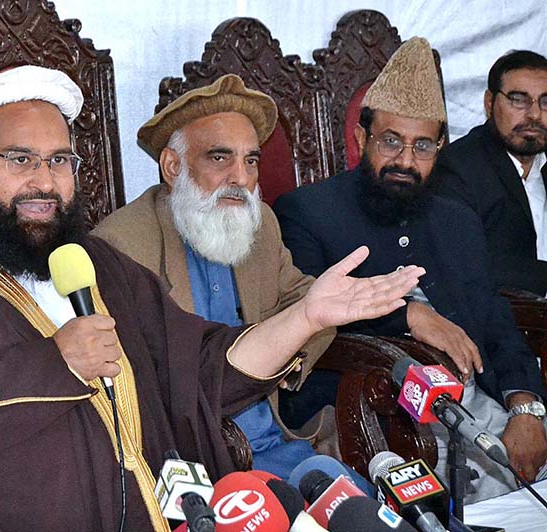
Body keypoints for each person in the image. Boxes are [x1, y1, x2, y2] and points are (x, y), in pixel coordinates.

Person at [0, 65, 422, 531]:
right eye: (20, 159)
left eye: (60, 160)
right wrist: (56, 362)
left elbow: (201, 368)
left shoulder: (93, 266)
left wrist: (307, 314)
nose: (45, 181)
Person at [273, 38, 547, 502]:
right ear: (362, 140)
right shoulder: (307, 213)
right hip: (375, 416)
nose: (405, 160)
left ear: (440, 148)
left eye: (422, 146)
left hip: (476, 404)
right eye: (391, 141)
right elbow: (304, 323)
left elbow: (494, 316)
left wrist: (527, 407)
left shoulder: (456, 218)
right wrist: (409, 317)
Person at [92, 74, 348, 482]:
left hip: (278, 447)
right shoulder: (121, 244)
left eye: (250, 160)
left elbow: (301, 297)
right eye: (219, 157)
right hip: (190, 466)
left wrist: (282, 358)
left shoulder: (259, 221)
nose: (240, 178)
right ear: (173, 166)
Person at [434, 50, 547, 295]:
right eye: (519, 99)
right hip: (505, 322)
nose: (535, 114)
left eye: (545, 102)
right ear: (489, 103)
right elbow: (467, 263)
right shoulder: (457, 168)